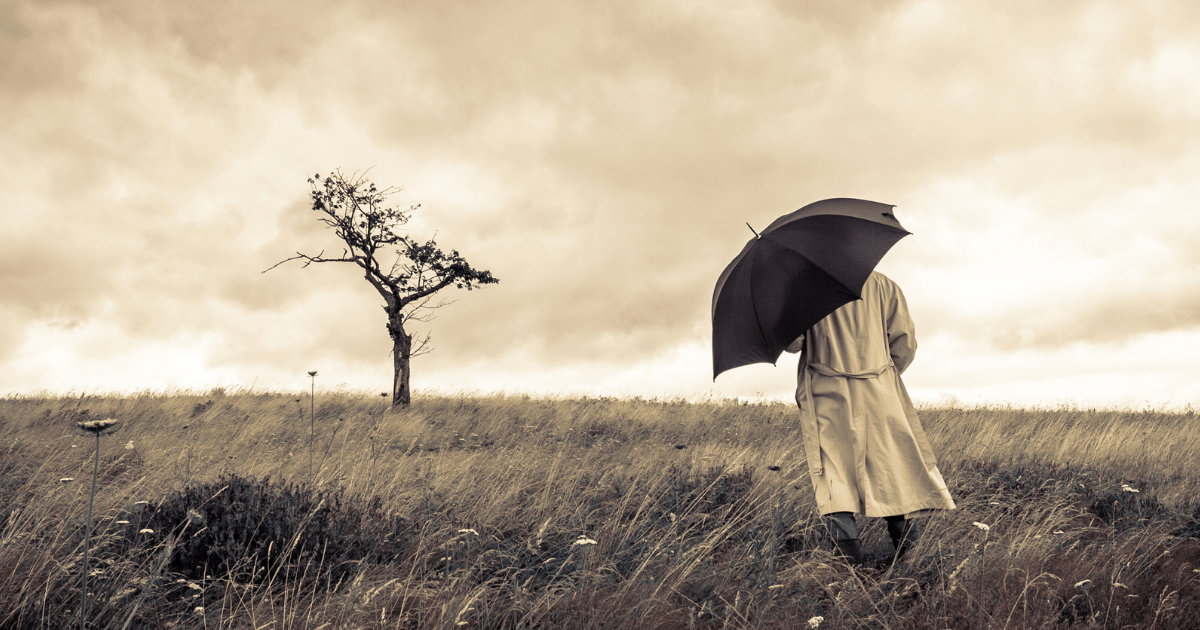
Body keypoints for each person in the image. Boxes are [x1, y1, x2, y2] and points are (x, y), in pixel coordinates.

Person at [785, 271, 955, 564]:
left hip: (828, 396)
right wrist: (878, 377)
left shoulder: (803, 288)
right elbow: (905, 345)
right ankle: (911, 562)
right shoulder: (884, 285)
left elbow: (793, 343)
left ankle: (848, 571)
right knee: (892, 473)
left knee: (833, 478)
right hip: (880, 392)